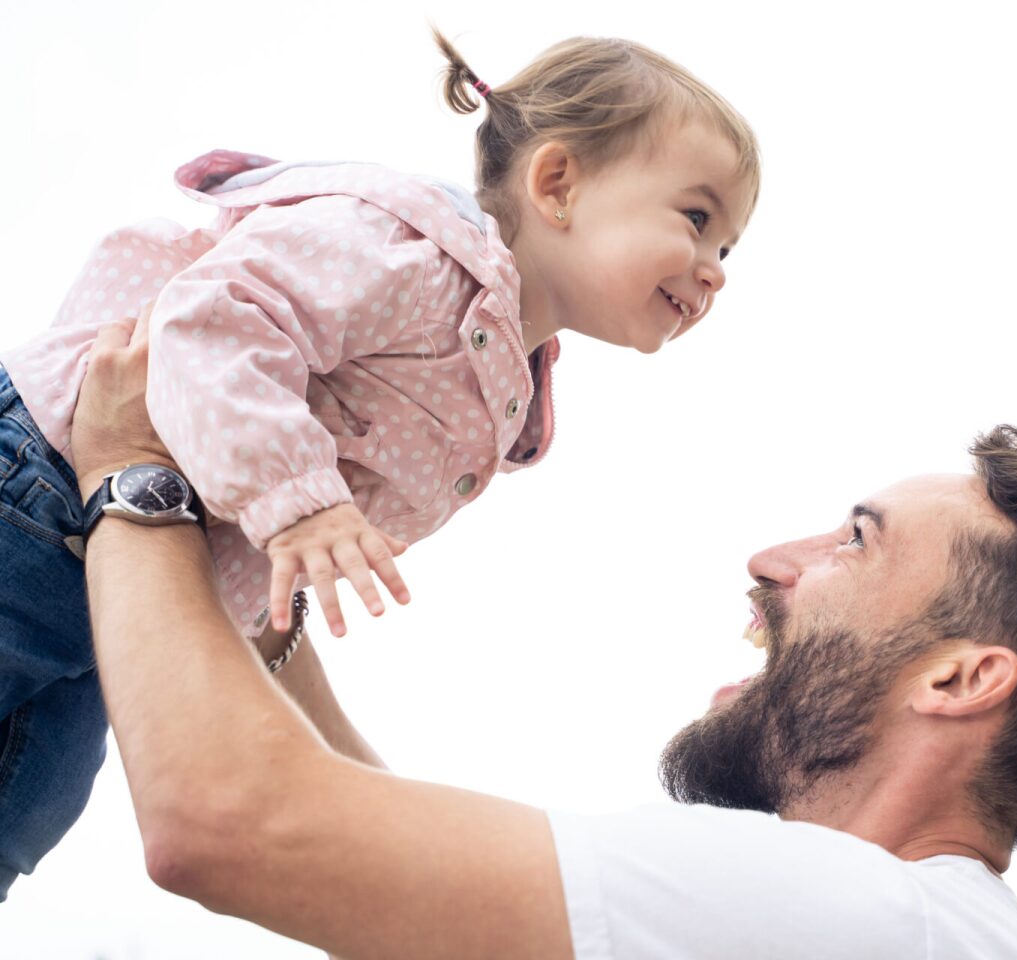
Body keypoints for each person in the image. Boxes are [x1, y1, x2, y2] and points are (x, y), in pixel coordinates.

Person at [64, 314, 1017, 959]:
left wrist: (128, 474)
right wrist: (255, 618)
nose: (772, 560)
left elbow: (229, 823)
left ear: (959, 677)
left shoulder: (853, 915)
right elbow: (389, 869)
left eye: (855, 541)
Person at [0, 31, 758, 899]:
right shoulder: (412, 251)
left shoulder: (507, 380)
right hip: (42, 486)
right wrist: (301, 503)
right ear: (557, 185)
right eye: (698, 220)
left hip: (127, 576)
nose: (717, 271)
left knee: (28, 812)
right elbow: (210, 320)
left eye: (730, 248)